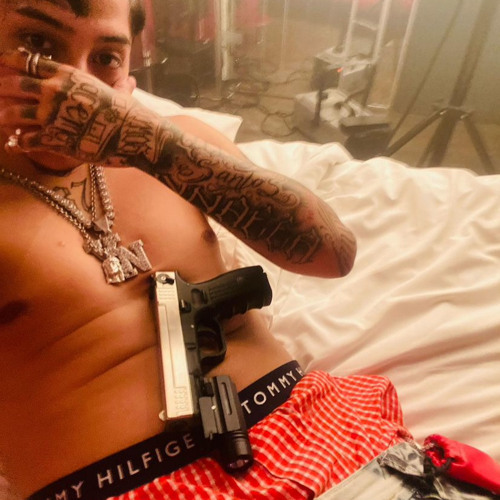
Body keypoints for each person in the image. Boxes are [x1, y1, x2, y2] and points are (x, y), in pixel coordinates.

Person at [4, 1, 492, 500]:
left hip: (332, 447)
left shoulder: (171, 143)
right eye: (38, 44)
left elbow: (333, 253)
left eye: (107, 58)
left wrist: (149, 143)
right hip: (134, 483)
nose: (72, 84)